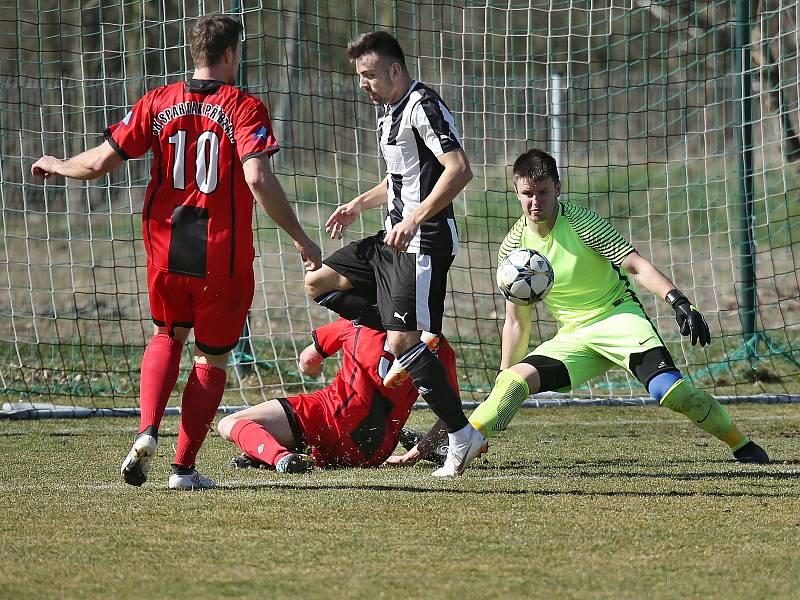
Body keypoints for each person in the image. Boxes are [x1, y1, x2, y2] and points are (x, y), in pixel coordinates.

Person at [31, 15, 322, 490]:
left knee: (167, 334)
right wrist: (301, 239)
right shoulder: (245, 107)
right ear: (230, 54)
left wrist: (58, 165)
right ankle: (183, 468)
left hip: (167, 246)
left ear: (195, 52)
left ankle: (147, 429)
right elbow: (256, 178)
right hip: (220, 255)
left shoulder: (157, 100)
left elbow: (102, 161)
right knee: (211, 361)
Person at [465, 148, 768, 469]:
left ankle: (741, 443)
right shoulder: (513, 250)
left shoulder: (583, 223)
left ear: (558, 187)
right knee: (514, 382)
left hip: (619, 318)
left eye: (542, 192)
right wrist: (501, 381)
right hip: (575, 337)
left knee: (670, 392)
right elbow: (516, 324)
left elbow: (636, 266)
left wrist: (679, 301)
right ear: (516, 192)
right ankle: (460, 443)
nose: (535, 202)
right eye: (527, 194)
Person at [303, 30, 485, 477]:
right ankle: (394, 326)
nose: (363, 83)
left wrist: (416, 218)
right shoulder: (387, 114)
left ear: (395, 70)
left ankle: (463, 436)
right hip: (391, 238)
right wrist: (357, 206)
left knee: (404, 343)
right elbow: (400, 179)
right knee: (318, 282)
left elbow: (459, 170)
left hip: (422, 243)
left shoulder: (423, 105)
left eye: (369, 75)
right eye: (359, 76)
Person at [217, 318, 461, 471]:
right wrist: (415, 454)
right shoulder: (440, 348)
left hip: (326, 417)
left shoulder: (358, 323)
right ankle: (276, 454)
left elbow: (306, 363)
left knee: (229, 422)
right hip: (374, 450)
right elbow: (451, 415)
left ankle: (279, 457)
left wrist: (316, 367)